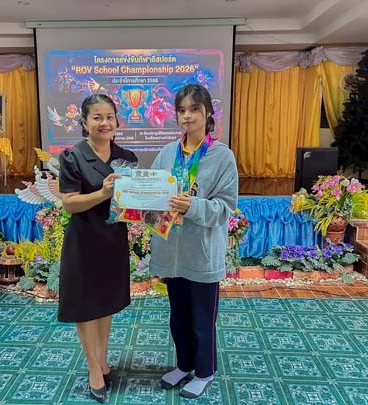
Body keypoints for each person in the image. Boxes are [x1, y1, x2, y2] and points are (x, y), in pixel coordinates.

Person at [149, 84, 238, 399]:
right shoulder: (167, 153)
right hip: (172, 252)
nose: (187, 116)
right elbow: (153, 194)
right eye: (182, 110)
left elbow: (225, 208)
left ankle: (204, 372)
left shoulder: (221, 156)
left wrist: (194, 206)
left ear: (208, 112)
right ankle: (184, 364)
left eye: (194, 109)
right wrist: (131, 198)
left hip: (201, 253)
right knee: (178, 317)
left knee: (202, 319)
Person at [57, 94, 137, 403]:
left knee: (106, 303)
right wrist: (103, 193)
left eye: (110, 117)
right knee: (86, 306)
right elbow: (69, 203)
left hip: (112, 240)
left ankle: (103, 360)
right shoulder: (73, 156)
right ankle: (93, 368)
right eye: (97, 117)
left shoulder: (126, 158)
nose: (105, 123)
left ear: (117, 120)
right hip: (84, 242)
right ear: (84, 122)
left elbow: (132, 202)